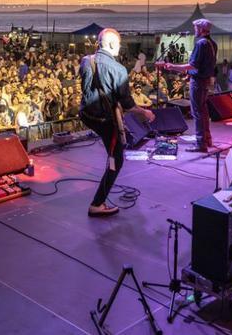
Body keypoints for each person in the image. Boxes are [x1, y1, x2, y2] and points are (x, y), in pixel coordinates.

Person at [79, 28, 154, 217]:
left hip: (87, 115)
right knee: (117, 159)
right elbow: (128, 105)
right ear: (112, 44)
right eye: (119, 44)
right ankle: (97, 204)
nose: (120, 48)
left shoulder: (86, 61)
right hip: (104, 119)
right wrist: (144, 112)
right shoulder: (118, 69)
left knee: (115, 149)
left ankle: (100, 197)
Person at [156, 19, 218, 152]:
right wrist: (190, 72)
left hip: (198, 82)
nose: (194, 30)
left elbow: (193, 65)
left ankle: (201, 144)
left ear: (201, 29)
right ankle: (207, 139)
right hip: (206, 80)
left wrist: (172, 66)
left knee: (197, 112)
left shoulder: (201, 43)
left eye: (195, 28)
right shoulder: (212, 43)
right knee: (203, 111)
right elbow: (204, 65)